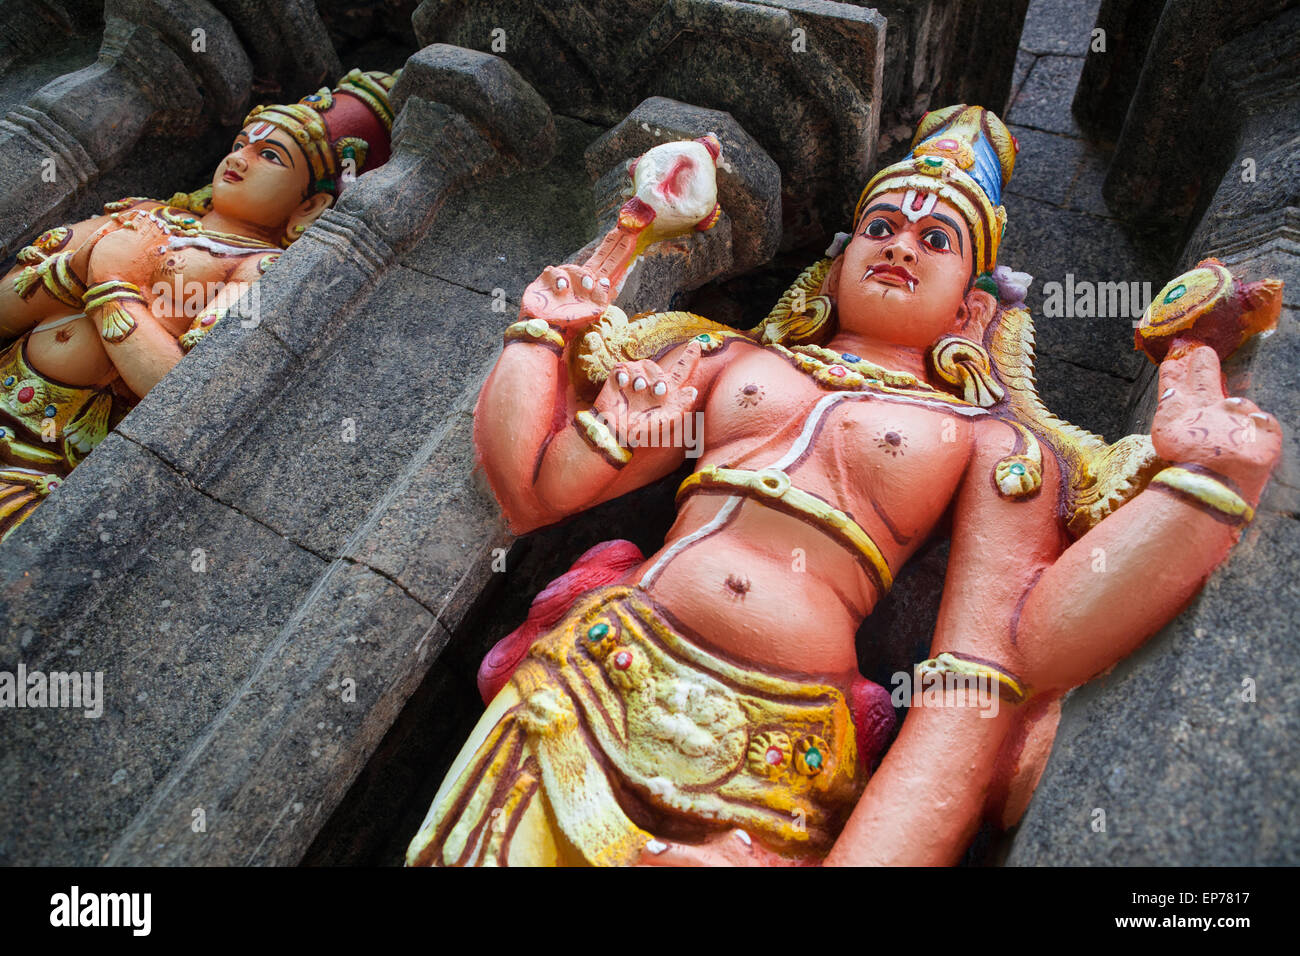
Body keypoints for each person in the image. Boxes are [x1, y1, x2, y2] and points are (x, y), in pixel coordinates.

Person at [408, 105, 1282, 866]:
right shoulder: (718, 359)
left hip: (775, 758)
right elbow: (534, 490)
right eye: (882, 227)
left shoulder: (996, 443)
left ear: (972, 306)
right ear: (834, 264)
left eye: (936, 240)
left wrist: (1204, 477)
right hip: (584, 685)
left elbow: (996, 665)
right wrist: (543, 327)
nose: (902, 244)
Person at [0, 69, 395, 538]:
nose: (241, 160)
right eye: (242, 144)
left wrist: (110, 286)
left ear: (308, 207)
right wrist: (74, 267)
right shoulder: (144, 212)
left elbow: (187, 398)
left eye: (269, 156)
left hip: (47, 470)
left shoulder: (260, 270)